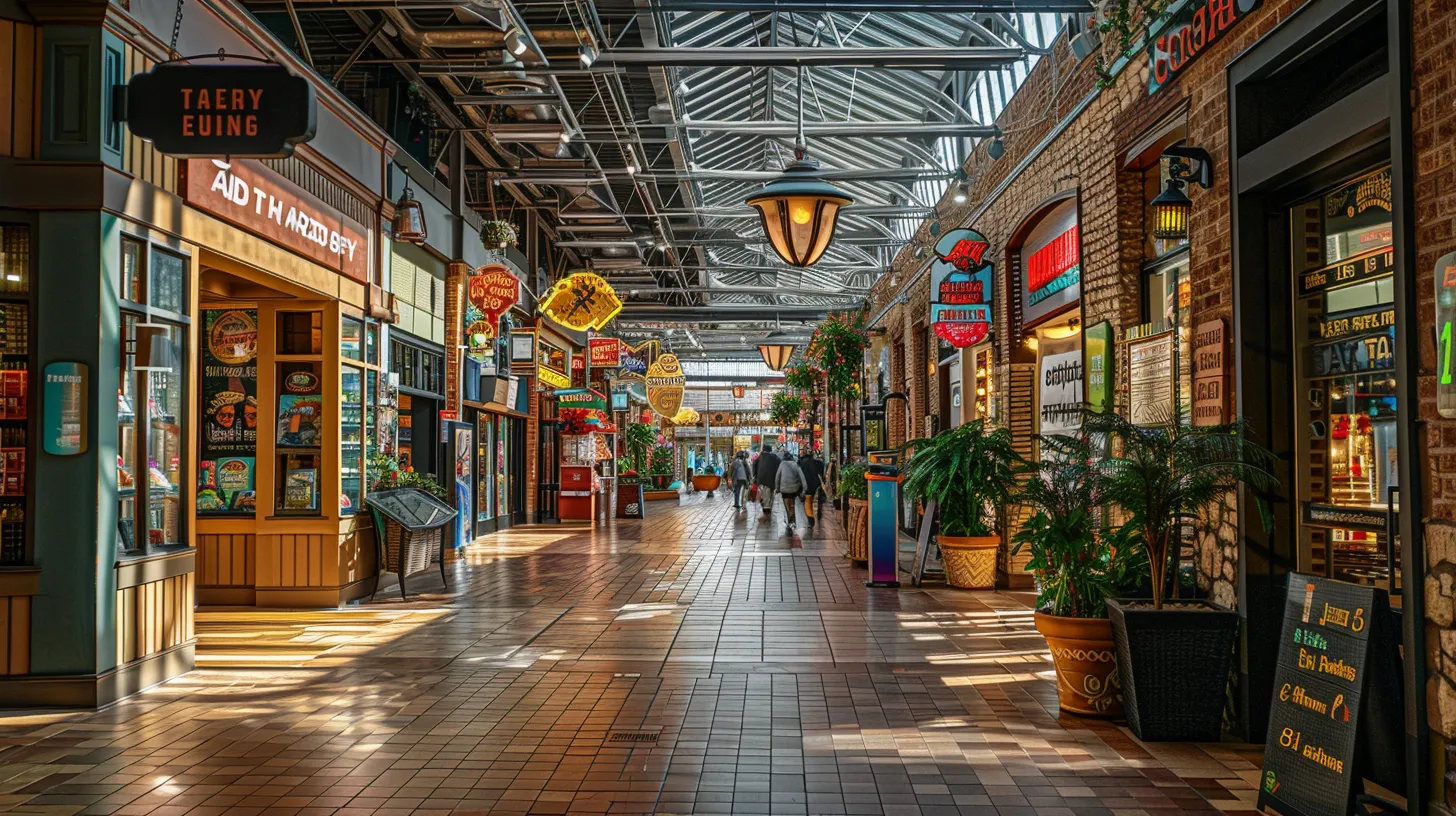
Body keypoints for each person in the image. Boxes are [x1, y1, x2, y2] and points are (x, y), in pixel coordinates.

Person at [775, 451, 805, 536]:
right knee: (792, 504)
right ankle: (792, 521)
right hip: (794, 489)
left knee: (787, 505)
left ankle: (790, 521)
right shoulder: (795, 465)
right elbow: (802, 477)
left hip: (784, 489)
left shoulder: (782, 464)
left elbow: (777, 477)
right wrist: (804, 488)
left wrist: (777, 488)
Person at [753, 444, 781, 519]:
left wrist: (755, 477)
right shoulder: (775, 457)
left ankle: (765, 508)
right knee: (769, 495)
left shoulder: (759, 457)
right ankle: (767, 510)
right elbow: (779, 467)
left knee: (762, 494)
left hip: (760, 480)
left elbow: (754, 467)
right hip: (770, 480)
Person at [798, 451, 824, 531]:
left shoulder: (801, 463)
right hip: (815, 484)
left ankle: (811, 518)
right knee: (812, 499)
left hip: (806, 484)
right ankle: (816, 514)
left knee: (808, 500)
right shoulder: (816, 462)